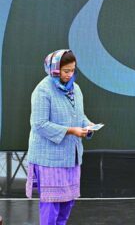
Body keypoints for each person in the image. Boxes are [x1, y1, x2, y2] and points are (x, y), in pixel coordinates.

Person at [26, 49, 94, 225]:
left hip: (71, 157)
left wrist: (87, 125)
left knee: (68, 202)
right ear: (54, 69)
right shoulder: (42, 90)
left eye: (73, 70)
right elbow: (39, 124)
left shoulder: (76, 88)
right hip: (49, 159)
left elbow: (78, 115)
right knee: (52, 204)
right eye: (66, 71)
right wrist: (71, 130)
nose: (70, 74)